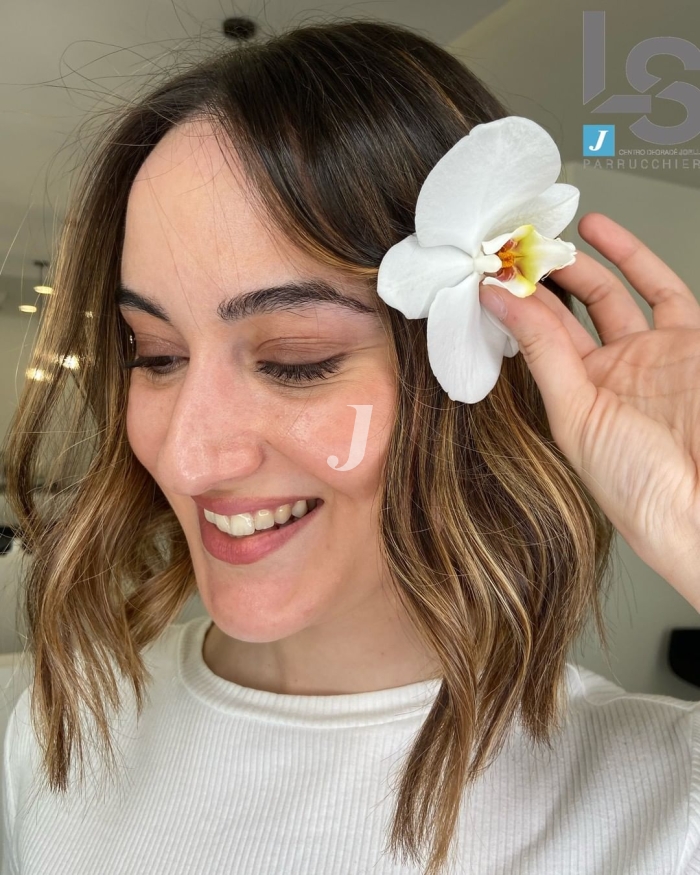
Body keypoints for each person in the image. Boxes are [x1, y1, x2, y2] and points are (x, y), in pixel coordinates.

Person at [2, 18, 700, 875]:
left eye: (297, 360)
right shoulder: (50, 730)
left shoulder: (668, 810)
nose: (186, 458)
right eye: (155, 355)